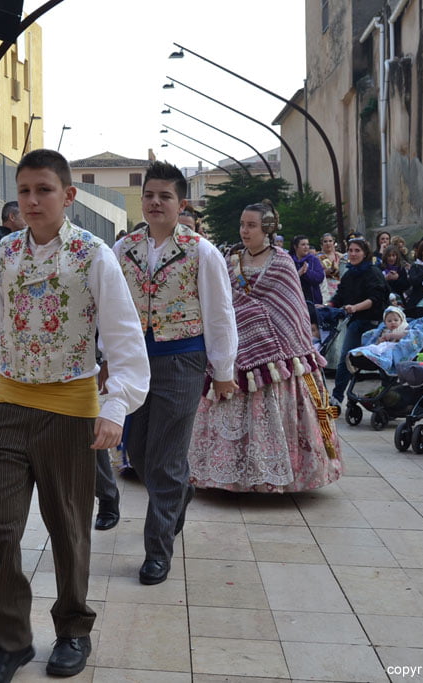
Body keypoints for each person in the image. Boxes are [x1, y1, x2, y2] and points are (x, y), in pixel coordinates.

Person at [0, 149, 150, 682]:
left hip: (70, 407)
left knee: (68, 527)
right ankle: (11, 640)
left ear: (68, 196)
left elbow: (124, 342)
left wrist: (115, 408)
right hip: (10, 401)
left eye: (43, 190)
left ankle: (72, 630)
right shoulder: (6, 252)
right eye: (24, 191)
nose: (32, 201)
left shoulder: (94, 256)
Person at [112, 161, 238, 586]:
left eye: (164, 196)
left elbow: (219, 313)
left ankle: (157, 551)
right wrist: (106, 358)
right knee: (140, 453)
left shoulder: (203, 251)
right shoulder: (122, 249)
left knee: (165, 459)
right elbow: (109, 311)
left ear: (180, 203)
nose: (155, 202)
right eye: (149, 195)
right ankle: (181, 492)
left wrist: (223, 368)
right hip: (134, 361)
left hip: (182, 358)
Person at [188, 200, 343, 493]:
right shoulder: (229, 258)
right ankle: (226, 475)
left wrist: (258, 325)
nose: (245, 231)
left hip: (274, 361)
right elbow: (221, 302)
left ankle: (274, 477)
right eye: (242, 224)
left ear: (268, 229)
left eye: (252, 225)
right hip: (232, 354)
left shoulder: (282, 262)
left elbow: (291, 313)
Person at [325, 238, 389, 406]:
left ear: (365, 253)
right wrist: (328, 305)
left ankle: (383, 396)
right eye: (351, 250)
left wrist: (355, 307)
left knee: (377, 362)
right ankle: (337, 398)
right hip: (355, 322)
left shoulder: (373, 272)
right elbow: (340, 295)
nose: (353, 254)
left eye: (357, 251)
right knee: (346, 359)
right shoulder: (349, 273)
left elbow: (376, 299)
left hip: (374, 324)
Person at [291, 235, 325, 306]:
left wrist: (307, 272)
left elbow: (320, 277)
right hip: (295, 300)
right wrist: (298, 274)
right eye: (303, 244)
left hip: (313, 299)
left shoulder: (313, 259)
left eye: (307, 244)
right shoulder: (290, 260)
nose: (306, 247)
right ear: (295, 247)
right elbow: (287, 281)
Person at [318, 232, 342, 302]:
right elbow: (317, 274)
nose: (328, 243)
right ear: (322, 244)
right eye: (325, 241)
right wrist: (327, 271)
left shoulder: (340, 256)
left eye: (330, 241)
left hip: (340, 286)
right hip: (326, 288)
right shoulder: (318, 257)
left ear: (334, 242)